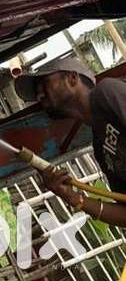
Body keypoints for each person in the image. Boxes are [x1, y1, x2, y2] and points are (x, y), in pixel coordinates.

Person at [14, 54, 126, 226]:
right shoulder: (100, 148)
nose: (40, 95)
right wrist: (72, 197)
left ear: (72, 78)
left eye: (44, 84)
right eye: (37, 94)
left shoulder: (106, 91)